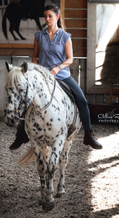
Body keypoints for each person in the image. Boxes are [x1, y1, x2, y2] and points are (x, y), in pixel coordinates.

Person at [9, 4, 102, 150]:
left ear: (57, 17)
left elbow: (70, 59)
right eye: (45, 16)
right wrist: (37, 70)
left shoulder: (65, 37)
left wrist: (58, 68)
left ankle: (88, 135)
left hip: (62, 76)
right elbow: (34, 57)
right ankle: (21, 133)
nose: (47, 19)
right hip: (43, 77)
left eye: (50, 16)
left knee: (82, 100)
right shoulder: (38, 36)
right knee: (25, 97)